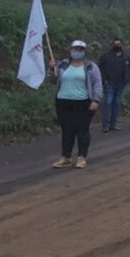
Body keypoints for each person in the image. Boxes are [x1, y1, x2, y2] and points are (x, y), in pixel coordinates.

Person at [49, 39, 103, 169]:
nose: (77, 52)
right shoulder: (62, 65)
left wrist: (96, 100)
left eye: (80, 50)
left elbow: (97, 84)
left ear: (84, 51)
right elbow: (52, 80)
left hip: (83, 102)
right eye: (75, 49)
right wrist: (52, 69)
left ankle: (81, 157)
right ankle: (66, 157)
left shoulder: (91, 67)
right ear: (71, 50)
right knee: (67, 130)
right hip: (63, 102)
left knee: (82, 130)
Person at [97, 37, 130, 133]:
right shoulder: (106, 56)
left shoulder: (126, 57)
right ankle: (105, 125)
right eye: (115, 44)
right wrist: (104, 80)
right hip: (109, 83)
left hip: (121, 83)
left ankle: (113, 124)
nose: (117, 46)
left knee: (116, 103)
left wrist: (127, 79)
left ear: (121, 45)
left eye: (119, 44)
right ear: (112, 45)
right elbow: (100, 68)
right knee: (108, 103)